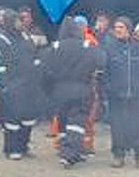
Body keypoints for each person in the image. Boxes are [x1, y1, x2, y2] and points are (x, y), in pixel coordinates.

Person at [43, 17, 105, 167]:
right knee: (77, 123)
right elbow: (101, 64)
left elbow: (44, 71)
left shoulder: (54, 47)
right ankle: (69, 154)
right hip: (81, 90)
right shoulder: (87, 46)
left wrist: (49, 90)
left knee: (63, 123)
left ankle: (68, 150)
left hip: (59, 91)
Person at [0, 9, 44, 160]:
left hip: (29, 86)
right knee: (12, 120)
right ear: (9, 22)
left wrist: (38, 72)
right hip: (12, 87)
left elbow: (35, 54)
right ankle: (12, 149)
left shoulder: (25, 36)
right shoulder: (1, 39)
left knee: (28, 119)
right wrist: (3, 86)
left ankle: (24, 146)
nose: (21, 23)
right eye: (17, 20)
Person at [102, 15, 139, 168]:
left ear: (129, 30)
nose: (117, 30)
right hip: (116, 95)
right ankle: (118, 155)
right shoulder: (109, 47)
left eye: (121, 27)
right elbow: (104, 70)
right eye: (116, 27)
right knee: (117, 127)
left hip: (137, 95)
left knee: (138, 126)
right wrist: (109, 87)